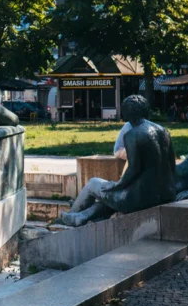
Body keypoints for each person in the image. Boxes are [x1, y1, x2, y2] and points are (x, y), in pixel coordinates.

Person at [61, 95, 176, 227]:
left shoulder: (132, 134)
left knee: (94, 184)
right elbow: (171, 165)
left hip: (142, 199)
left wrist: (116, 186)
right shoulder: (164, 131)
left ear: (126, 113)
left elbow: (133, 169)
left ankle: (72, 213)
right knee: (110, 198)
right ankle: (81, 216)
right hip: (167, 194)